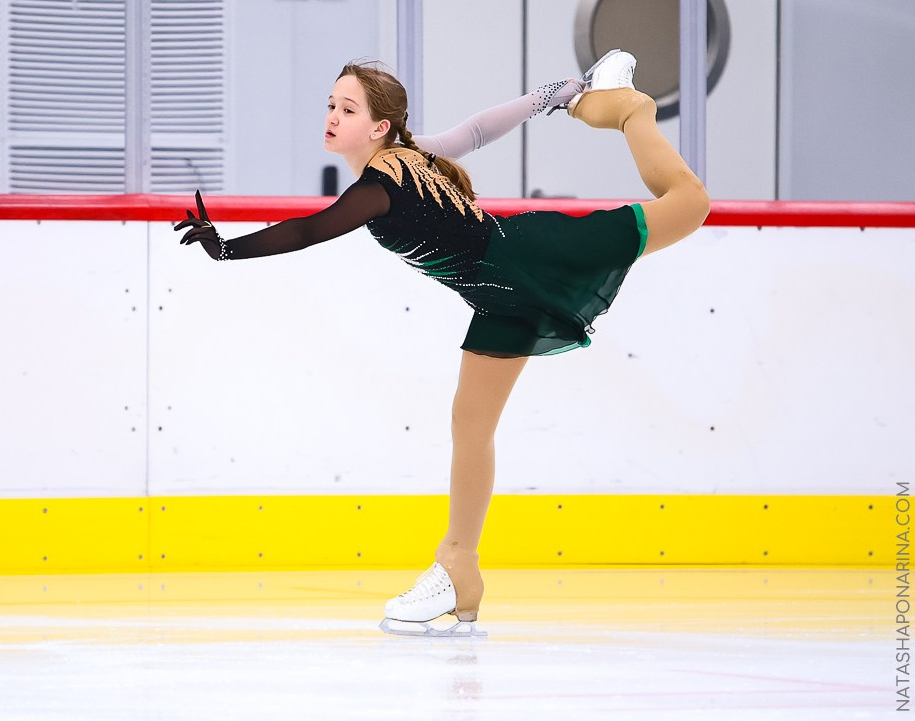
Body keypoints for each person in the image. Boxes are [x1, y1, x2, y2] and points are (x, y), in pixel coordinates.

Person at [174, 50, 710, 636]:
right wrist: (552, 94)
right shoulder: (407, 156)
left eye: (347, 108)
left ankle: (633, 111)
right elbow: (475, 131)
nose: (331, 116)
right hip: (498, 297)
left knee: (689, 204)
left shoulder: (381, 185)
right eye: (331, 104)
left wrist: (228, 248)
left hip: (532, 258)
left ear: (378, 127)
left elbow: (310, 229)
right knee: (470, 427)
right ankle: (460, 570)